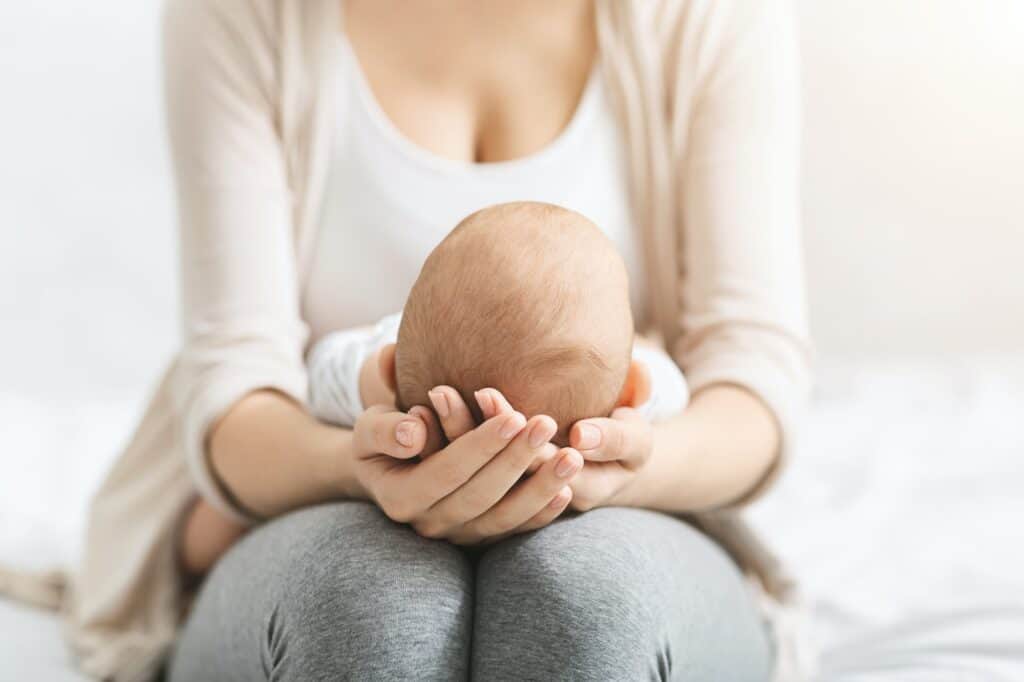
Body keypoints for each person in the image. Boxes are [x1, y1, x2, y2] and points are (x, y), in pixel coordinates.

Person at [56, 1, 811, 680]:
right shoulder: (249, 16)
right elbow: (236, 385)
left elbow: (752, 383)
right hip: (305, 490)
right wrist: (367, 466)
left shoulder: (709, 18)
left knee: (580, 596)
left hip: (627, 506)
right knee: (375, 599)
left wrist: (621, 468)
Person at [179, 201, 692, 575]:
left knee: (225, 521)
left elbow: (324, 370)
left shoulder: (393, 371)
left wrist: (375, 387)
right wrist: (633, 404)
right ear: (629, 390)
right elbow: (669, 389)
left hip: (403, 497)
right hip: (557, 512)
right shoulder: (625, 399)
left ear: (391, 361)